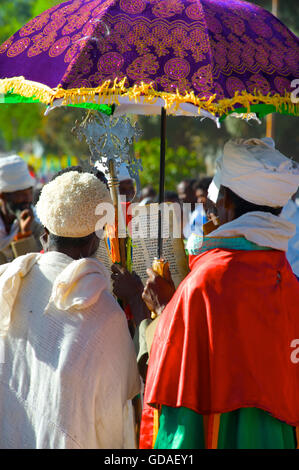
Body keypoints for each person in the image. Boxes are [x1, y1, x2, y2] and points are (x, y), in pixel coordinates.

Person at [139, 137, 299, 449]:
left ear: (225, 199)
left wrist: (164, 307)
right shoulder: (288, 280)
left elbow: (180, 405)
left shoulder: (204, 282)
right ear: (278, 207)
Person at [0, 170, 140, 449]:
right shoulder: (105, 312)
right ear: (94, 241)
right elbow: (121, 408)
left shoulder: (9, 280)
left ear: (46, 233)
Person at [0, 154, 42, 264]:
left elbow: (35, 269)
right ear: (3, 196)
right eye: (20, 194)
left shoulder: (37, 224)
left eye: (29, 192)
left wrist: (25, 234)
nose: (27, 199)